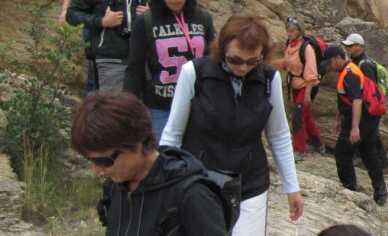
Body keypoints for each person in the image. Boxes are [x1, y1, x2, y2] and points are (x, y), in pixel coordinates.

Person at [161, 13, 304, 234]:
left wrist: (292, 187)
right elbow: (173, 133)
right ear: (222, 49)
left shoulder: (268, 79)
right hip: (199, 182)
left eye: (253, 61)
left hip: (249, 182)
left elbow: (278, 134)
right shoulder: (195, 73)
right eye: (235, 60)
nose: (243, 67)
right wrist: (163, 183)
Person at [70, 92, 227, 235]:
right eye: (91, 160)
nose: (95, 170)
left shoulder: (192, 195)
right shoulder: (115, 187)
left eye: (103, 161)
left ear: (135, 145)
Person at [124, 0, 216, 140]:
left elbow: (212, 60)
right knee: (163, 153)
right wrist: (128, 107)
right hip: (160, 106)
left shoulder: (202, 17)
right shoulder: (146, 21)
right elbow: (135, 68)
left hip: (197, 104)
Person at [322, 45, 388, 205]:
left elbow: (356, 101)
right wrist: (338, 119)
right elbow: (344, 99)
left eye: (330, 63)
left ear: (338, 58)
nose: (329, 67)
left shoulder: (349, 74)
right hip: (367, 117)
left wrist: (354, 128)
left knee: (343, 153)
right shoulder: (346, 71)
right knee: (368, 153)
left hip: (361, 117)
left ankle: (350, 189)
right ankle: (381, 192)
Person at [270, 17, 325, 160]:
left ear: (300, 31)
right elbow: (288, 64)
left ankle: (299, 150)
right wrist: (271, 63)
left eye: (292, 31)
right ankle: (319, 144)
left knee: (298, 116)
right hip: (295, 84)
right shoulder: (290, 45)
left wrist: (307, 94)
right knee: (304, 114)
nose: (289, 34)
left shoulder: (306, 48)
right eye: (288, 30)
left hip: (307, 86)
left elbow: (311, 72)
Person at [341, 33, 388, 172]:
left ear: (359, 46)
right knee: (367, 132)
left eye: (350, 46)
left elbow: (370, 88)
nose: (347, 48)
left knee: (372, 133)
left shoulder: (365, 64)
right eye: (347, 46)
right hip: (364, 104)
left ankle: (382, 163)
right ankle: (365, 158)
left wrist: (363, 105)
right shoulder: (357, 63)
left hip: (368, 105)